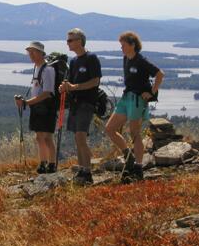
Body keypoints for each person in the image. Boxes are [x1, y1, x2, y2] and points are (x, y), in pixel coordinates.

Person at [105, 31, 165, 183]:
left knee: (134, 132)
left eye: (123, 45)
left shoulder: (141, 60)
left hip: (138, 99)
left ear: (132, 45)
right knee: (110, 129)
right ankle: (128, 156)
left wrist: (151, 92)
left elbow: (159, 74)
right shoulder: (126, 58)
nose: (121, 48)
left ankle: (138, 167)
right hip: (126, 98)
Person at [59, 28, 102, 185]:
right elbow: (70, 81)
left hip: (87, 103)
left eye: (70, 40)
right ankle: (83, 170)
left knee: (80, 137)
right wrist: (64, 87)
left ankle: (87, 172)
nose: (68, 43)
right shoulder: (74, 61)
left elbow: (95, 81)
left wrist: (75, 87)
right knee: (78, 139)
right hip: (76, 104)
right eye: (67, 40)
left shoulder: (91, 58)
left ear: (79, 41)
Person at [15, 41, 57, 174]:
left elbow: (47, 93)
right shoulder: (37, 68)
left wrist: (27, 103)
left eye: (33, 52)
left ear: (41, 53)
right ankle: (51, 164)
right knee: (46, 137)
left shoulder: (48, 70)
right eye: (29, 52)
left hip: (46, 108)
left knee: (41, 137)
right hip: (39, 108)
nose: (31, 55)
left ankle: (44, 164)